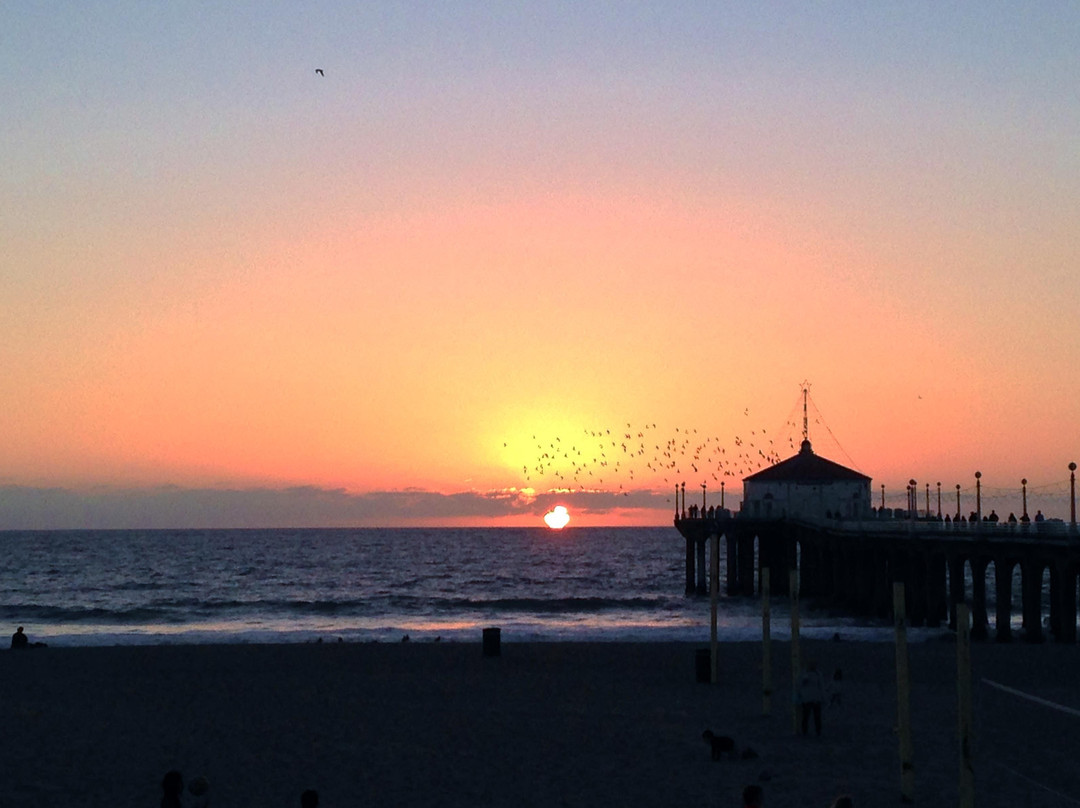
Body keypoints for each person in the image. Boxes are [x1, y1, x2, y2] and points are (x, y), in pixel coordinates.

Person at [797, 660, 826, 736]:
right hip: (807, 698)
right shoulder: (804, 674)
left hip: (816, 698)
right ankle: (805, 731)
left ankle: (818, 731)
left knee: (817, 717)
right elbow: (799, 685)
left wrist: (823, 697)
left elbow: (821, 686)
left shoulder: (818, 674)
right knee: (806, 716)